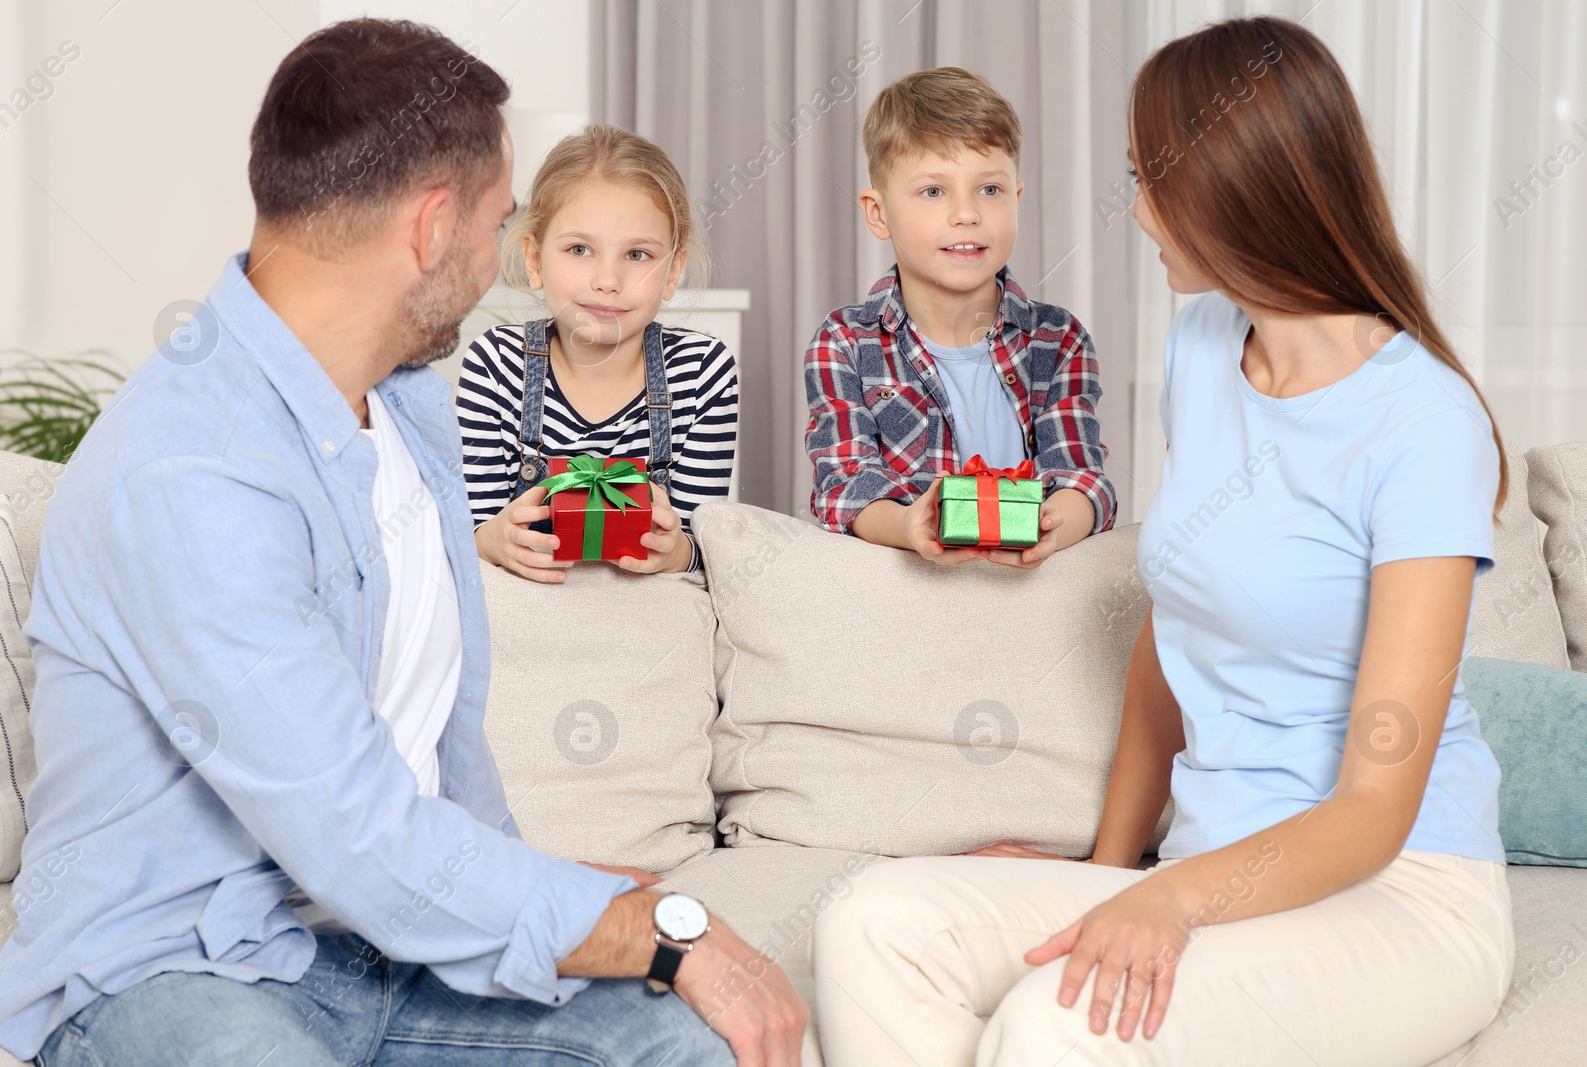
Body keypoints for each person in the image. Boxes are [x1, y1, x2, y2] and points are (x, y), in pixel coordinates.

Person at [0, 19, 803, 1066]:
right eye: (500, 222)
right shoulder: (188, 466)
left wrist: (534, 898)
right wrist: (645, 930)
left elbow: (440, 764)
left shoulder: (411, 408)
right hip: (172, 966)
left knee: (693, 1045)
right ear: (431, 228)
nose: (502, 255)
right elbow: (359, 836)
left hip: (384, 951)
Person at [811, 17, 1513, 1066]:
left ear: (1230, 188)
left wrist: (1170, 901)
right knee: (870, 920)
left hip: (1400, 886)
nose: (1133, 210)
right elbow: (1171, 629)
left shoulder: (1422, 421)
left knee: (1059, 1018)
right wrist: (1112, 869)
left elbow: (1376, 802)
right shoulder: (1201, 339)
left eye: (1148, 179)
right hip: (1198, 861)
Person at [802, 67, 1117, 568]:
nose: (966, 213)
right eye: (934, 191)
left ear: (1015, 199)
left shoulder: (1059, 341)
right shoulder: (844, 342)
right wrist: (910, 525)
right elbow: (845, 485)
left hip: (1032, 592)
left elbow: (1081, 477)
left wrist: (1052, 529)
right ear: (878, 213)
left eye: (988, 190)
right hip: (906, 595)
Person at [460, 125, 739, 582]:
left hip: (650, 624)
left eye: (637, 255)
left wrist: (677, 552)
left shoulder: (703, 371)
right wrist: (491, 541)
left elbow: (705, 552)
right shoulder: (494, 365)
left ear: (673, 272)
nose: (607, 278)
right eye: (580, 249)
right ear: (534, 261)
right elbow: (465, 538)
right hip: (521, 618)